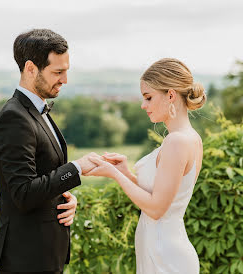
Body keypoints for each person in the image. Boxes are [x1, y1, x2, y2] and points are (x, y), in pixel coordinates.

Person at [0, 29, 98, 274]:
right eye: (57, 72)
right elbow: (23, 193)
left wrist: (65, 199)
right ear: (30, 68)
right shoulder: (14, 118)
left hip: (46, 255)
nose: (65, 80)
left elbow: (44, 178)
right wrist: (77, 169)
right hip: (26, 259)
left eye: (66, 71)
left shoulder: (36, 112)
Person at [87, 58, 206, 273]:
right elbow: (161, 196)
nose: (143, 105)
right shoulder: (189, 138)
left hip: (166, 255)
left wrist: (115, 174)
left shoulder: (177, 141)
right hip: (161, 248)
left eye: (148, 97)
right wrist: (127, 173)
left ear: (170, 95)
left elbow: (157, 208)